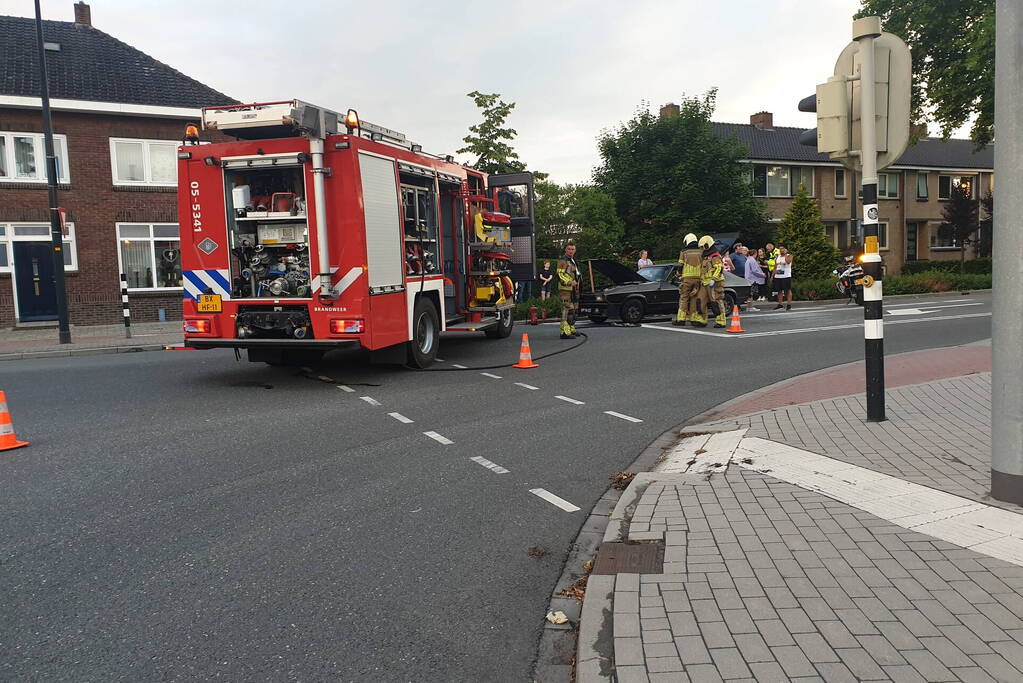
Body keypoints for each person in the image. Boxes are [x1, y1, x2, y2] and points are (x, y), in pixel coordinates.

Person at [674, 234, 704, 326]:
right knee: (694, 298)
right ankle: (694, 318)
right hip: (698, 278)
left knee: (684, 298)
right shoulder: (701, 251)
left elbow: (680, 265)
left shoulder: (684, 252)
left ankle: (681, 319)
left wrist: (678, 274)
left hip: (687, 279)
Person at [557, 243, 581, 338]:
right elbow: (560, 275)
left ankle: (571, 329)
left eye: (573, 249)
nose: (571, 251)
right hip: (565, 289)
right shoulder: (562, 261)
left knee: (574, 310)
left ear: (575, 250)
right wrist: (570, 282)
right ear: (565, 250)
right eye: (569, 249)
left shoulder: (573, 261)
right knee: (567, 310)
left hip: (574, 289)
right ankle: (564, 332)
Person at [702, 251, 727, 328]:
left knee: (717, 300)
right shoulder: (707, 257)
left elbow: (719, 268)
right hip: (707, 283)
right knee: (711, 302)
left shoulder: (715, 256)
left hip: (716, 282)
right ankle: (703, 320)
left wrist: (713, 279)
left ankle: (721, 321)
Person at [773, 246, 794, 310]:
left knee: (787, 290)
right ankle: (780, 304)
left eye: (782, 249)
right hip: (778, 275)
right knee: (779, 290)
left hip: (786, 276)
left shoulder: (789, 256)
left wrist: (785, 254)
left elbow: (788, 262)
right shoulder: (777, 257)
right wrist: (772, 275)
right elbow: (775, 266)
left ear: (785, 249)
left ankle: (789, 304)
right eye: (780, 249)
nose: (781, 250)